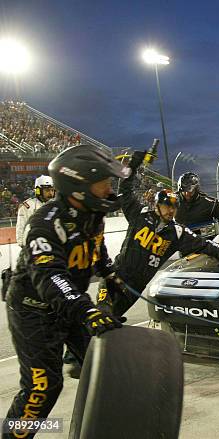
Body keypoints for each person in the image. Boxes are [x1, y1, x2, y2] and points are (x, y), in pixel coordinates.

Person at [2, 144, 128, 438]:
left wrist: (108, 273)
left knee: (106, 366)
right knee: (42, 387)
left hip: (69, 305)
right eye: (103, 183)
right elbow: (49, 275)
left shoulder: (92, 215)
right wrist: (85, 310)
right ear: (78, 186)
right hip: (33, 311)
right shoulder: (45, 224)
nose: (110, 189)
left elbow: (95, 251)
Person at [96, 152, 219, 318]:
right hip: (116, 274)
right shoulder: (140, 214)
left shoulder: (177, 232)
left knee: (112, 319)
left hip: (137, 286)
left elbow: (205, 245)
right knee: (101, 313)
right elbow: (125, 190)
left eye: (175, 207)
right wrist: (134, 164)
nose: (171, 210)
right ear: (158, 204)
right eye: (167, 206)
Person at [175, 172, 219, 237]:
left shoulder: (211, 203)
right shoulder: (172, 199)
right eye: (184, 191)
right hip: (178, 240)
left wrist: (209, 231)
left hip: (201, 241)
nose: (187, 194)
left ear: (196, 189)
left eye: (190, 191)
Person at [15, 175, 55, 247]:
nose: (51, 193)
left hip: (52, 244)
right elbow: (21, 226)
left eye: (52, 190)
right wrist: (22, 244)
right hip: (33, 245)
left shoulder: (56, 205)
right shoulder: (27, 206)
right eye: (47, 190)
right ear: (38, 191)